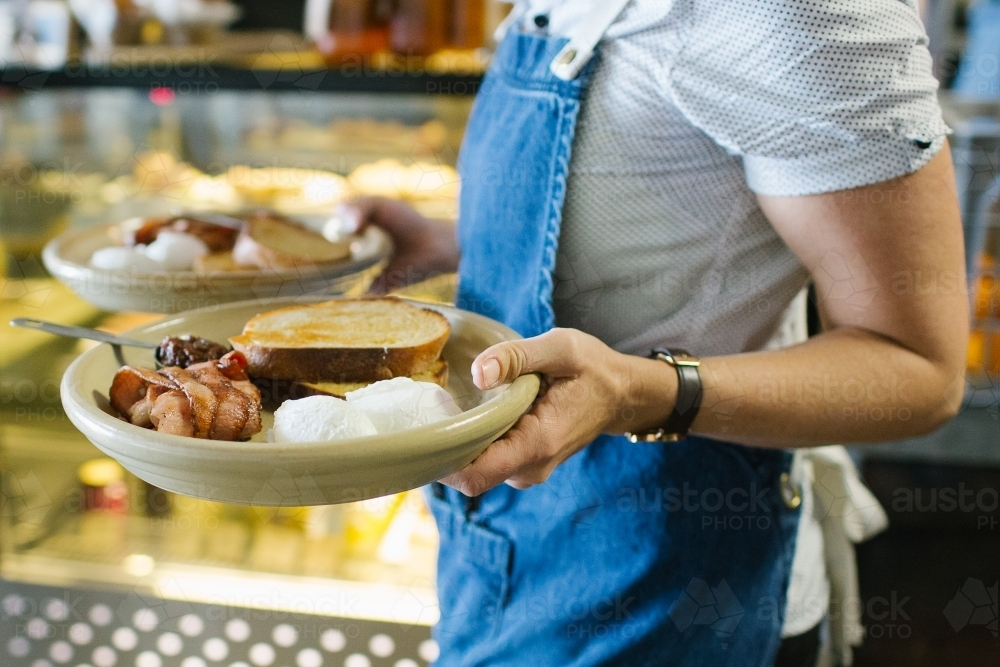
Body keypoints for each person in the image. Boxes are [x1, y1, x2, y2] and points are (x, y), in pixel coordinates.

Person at [346, 1, 969, 665]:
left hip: (670, 578)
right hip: (504, 550)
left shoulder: (804, 14)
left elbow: (918, 368)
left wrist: (636, 391)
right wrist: (460, 244)